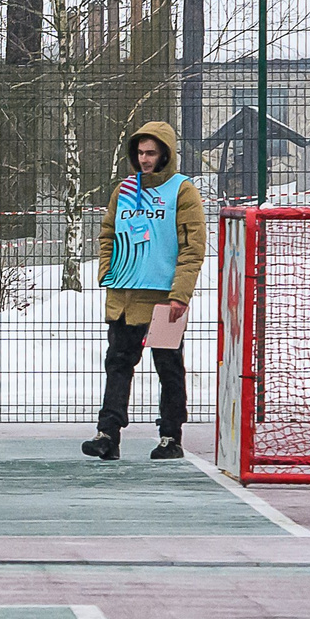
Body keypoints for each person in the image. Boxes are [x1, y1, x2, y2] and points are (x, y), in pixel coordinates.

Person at [83, 120, 205, 463]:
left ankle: (171, 437)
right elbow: (108, 233)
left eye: (151, 153)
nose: (144, 159)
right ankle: (108, 434)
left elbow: (193, 248)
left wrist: (180, 294)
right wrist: (107, 271)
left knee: (168, 367)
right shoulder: (123, 190)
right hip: (124, 298)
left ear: (165, 154)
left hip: (164, 300)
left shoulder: (182, 191)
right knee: (117, 364)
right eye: (139, 152)